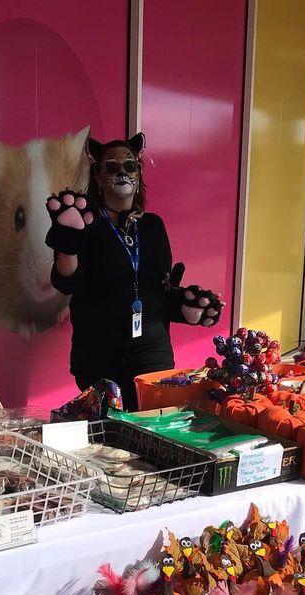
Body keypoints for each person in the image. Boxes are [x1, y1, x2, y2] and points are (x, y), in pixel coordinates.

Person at [45, 132, 224, 410]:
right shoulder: (84, 223)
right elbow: (66, 282)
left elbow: (159, 291)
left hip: (152, 353)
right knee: (109, 443)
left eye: (129, 166)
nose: (122, 173)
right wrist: (68, 242)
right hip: (99, 354)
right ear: (97, 176)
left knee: (155, 432)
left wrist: (187, 308)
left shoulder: (152, 227)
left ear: (139, 174)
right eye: (111, 167)